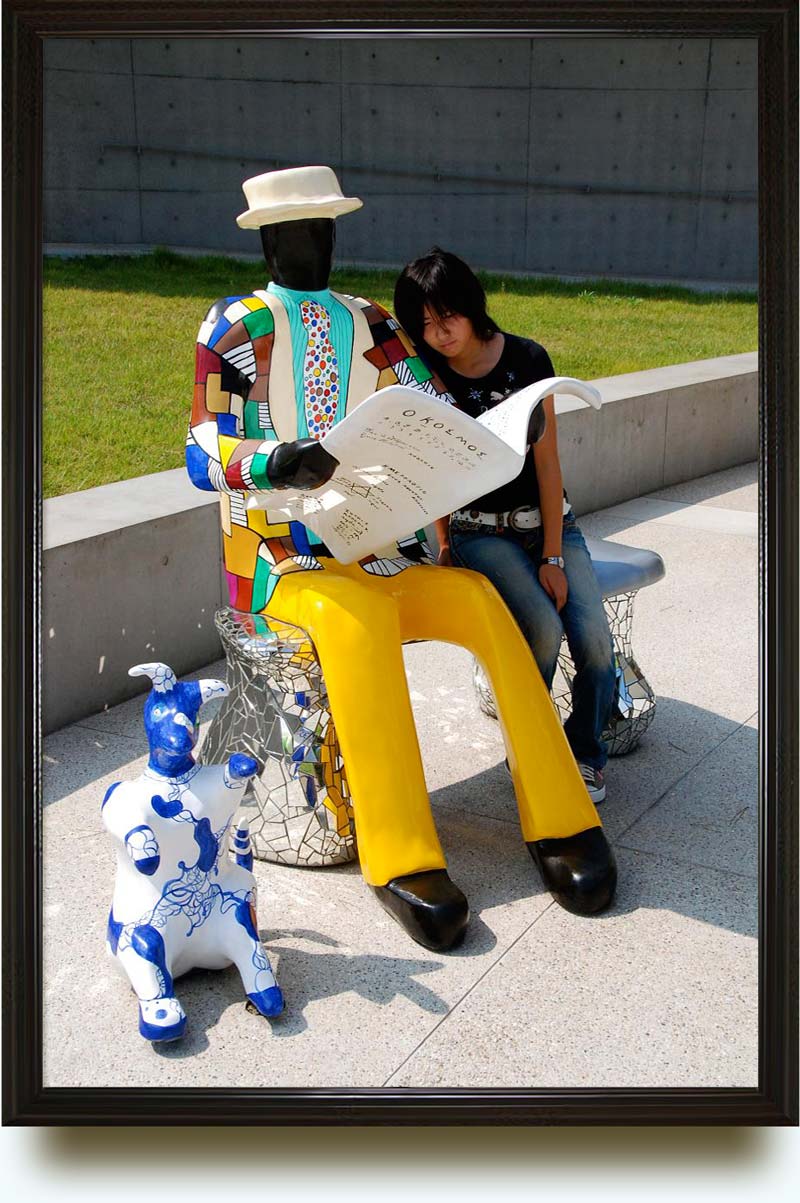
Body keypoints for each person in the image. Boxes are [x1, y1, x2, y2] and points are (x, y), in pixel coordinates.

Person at [187, 169, 616, 952]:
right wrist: (274, 459)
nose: (312, 244)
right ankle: (402, 852)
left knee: (483, 604)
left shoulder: (372, 320)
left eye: (323, 228)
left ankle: (562, 814)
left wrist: (465, 442)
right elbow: (201, 446)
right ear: (267, 239)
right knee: (354, 631)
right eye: (296, 231)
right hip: (281, 557)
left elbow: (427, 401)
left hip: (377, 543)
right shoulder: (234, 327)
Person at [394, 247, 616, 803]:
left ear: (470, 306)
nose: (439, 335)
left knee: (593, 641)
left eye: (447, 319)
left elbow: (548, 462)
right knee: (541, 629)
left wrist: (553, 555)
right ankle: (532, 750)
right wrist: (443, 542)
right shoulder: (428, 376)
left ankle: (584, 754)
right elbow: (434, 467)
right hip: (477, 531)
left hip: (548, 524)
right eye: (425, 326)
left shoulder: (526, 359)